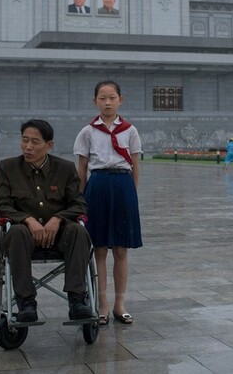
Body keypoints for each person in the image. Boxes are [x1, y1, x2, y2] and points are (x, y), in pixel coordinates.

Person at [0, 119, 94, 322]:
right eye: (25, 140)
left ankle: (77, 300)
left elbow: (79, 204)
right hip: (24, 239)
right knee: (15, 231)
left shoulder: (64, 169)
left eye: (35, 142)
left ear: (49, 145)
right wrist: (27, 219)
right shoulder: (9, 167)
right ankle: (26, 303)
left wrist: (58, 218)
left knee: (78, 230)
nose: (28, 147)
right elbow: (2, 205)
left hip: (59, 237)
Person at [73, 80, 142, 325]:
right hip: (98, 186)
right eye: (102, 98)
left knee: (121, 250)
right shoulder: (87, 132)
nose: (107, 102)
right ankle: (101, 304)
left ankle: (119, 304)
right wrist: (79, 200)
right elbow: (81, 169)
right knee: (99, 249)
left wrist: (132, 196)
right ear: (95, 102)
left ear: (120, 100)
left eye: (112, 97)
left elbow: (135, 165)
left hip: (122, 187)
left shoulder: (130, 131)